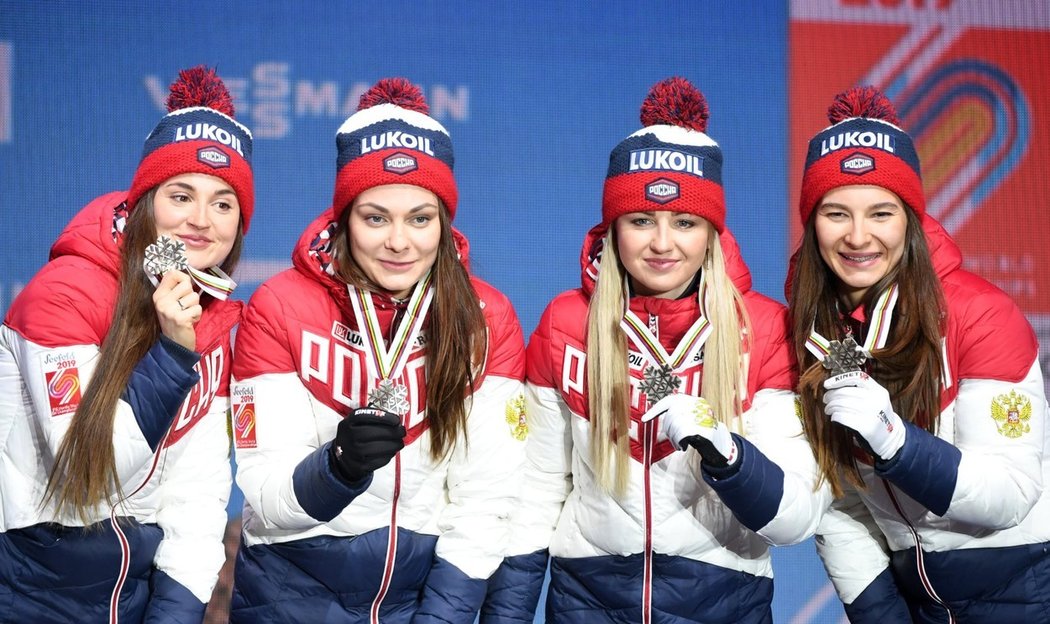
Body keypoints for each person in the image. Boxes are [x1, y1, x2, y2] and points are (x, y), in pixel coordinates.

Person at [482, 77, 829, 624]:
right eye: (641, 221)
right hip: (586, 604)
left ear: (712, 232)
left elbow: (793, 522)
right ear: (613, 228)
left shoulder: (763, 329)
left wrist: (729, 456)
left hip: (724, 605)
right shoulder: (566, 323)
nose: (662, 244)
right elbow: (538, 493)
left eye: (685, 223)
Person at [228, 77, 526, 623]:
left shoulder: (487, 318)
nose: (399, 241)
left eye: (420, 218)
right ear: (344, 217)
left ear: (443, 223)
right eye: (375, 217)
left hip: (424, 602)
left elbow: (488, 500)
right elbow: (265, 497)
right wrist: (337, 468)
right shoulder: (279, 306)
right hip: (288, 600)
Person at [0, 66, 253, 622]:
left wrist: (175, 613)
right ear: (145, 202)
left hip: (134, 602)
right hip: (30, 593)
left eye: (223, 203)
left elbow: (198, 497)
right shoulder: (64, 295)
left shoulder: (209, 318)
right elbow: (87, 479)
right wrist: (172, 354)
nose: (200, 221)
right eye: (181, 195)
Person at [789, 85, 1050, 622]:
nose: (858, 237)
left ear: (909, 219)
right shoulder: (814, 331)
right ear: (812, 223)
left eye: (880, 213)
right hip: (916, 601)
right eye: (836, 213)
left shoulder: (981, 315)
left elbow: (1010, 492)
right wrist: (879, 612)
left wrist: (896, 443)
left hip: (1026, 588)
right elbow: (837, 500)